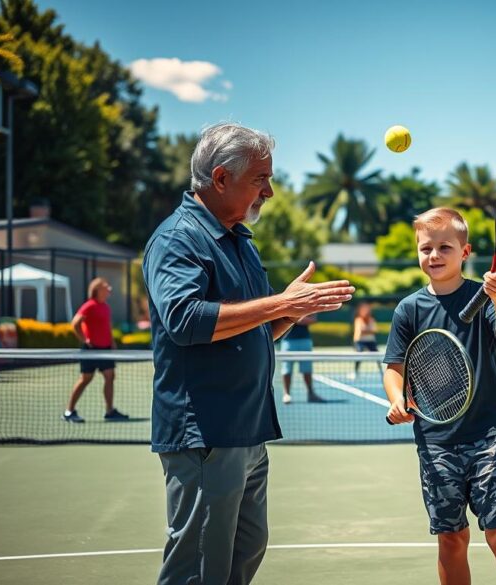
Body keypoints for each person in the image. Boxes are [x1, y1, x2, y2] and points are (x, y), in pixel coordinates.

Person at [142, 122, 354, 585]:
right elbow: (184, 321)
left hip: (248, 432)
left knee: (245, 550)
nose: (270, 192)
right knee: (199, 569)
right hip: (205, 435)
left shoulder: (239, 241)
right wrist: (281, 302)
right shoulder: (178, 239)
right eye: (261, 179)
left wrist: (292, 310)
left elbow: (251, 331)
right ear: (220, 179)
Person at [384, 207, 496, 585]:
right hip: (436, 444)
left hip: (488, 437)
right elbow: (393, 367)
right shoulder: (409, 309)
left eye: (444, 247)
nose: (433, 256)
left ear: (465, 253)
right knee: (451, 539)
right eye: (425, 248)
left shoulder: (483, 300)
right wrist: (396, 399)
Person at [63, 278, 129, 423]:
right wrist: (84, 339)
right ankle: (69, 411)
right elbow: (75, 323)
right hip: (91, 350)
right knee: (86, 379)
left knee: (110, 376)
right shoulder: (89, 306)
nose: (109, 290)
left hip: (105, 349)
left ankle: (110, 411)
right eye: (106, 287)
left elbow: (106, 327)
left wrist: (112, 342)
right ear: (97, 289)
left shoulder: (105, 307)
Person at [279, 314, 322, 404]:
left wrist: (294, 319)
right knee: (286, 369)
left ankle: (311, 394)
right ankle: (286, 394)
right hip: (288, 340)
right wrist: (296, 319)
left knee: (307, 369)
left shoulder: (307, 304)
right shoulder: (286, 302)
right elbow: (281, 319)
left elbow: (313, 319)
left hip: (305, 340)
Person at [350, 301, 382, 380]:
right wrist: (368, 331)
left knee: (377, 356)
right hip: (359, 341)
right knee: (359, 356)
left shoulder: (371, 319)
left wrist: (366, 330)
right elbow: (360, 332)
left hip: (371, 341)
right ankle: (355, 372)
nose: (366, 312)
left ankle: (382, 372)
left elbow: (374, 331)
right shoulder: (358, 320)